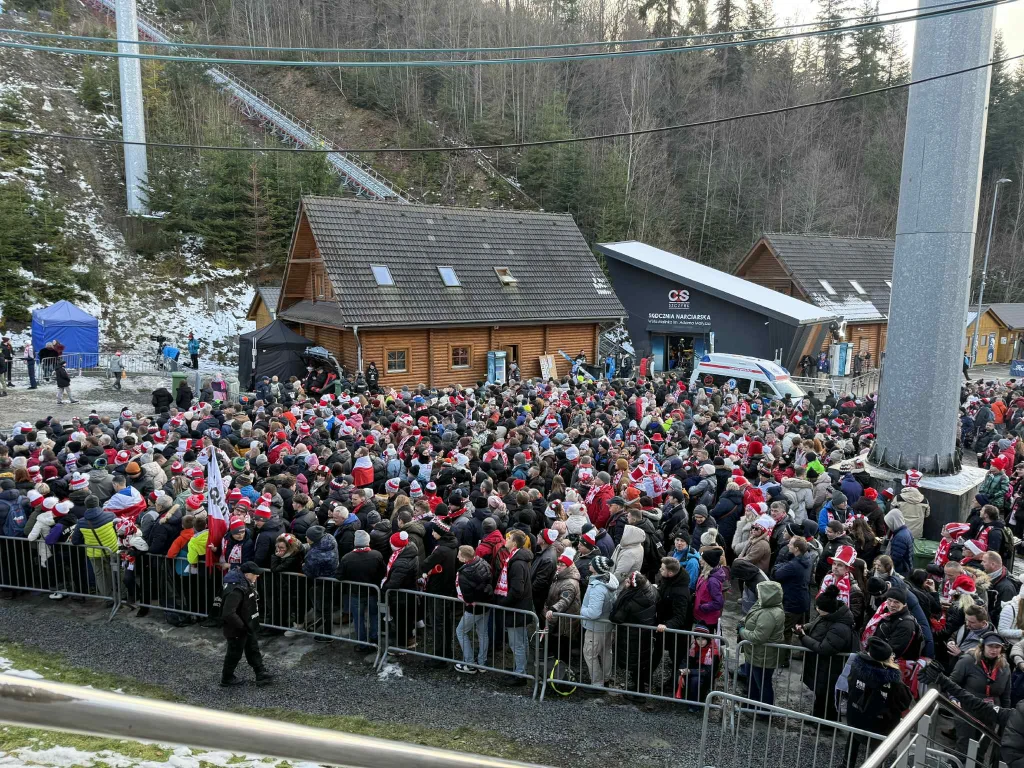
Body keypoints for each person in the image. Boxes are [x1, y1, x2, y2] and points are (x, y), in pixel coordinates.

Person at [845, 636, 912, 766]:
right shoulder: (892, 680)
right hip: (880, 724)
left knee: (853, 738)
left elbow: (850, 684)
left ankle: (846, 764)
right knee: (878, 754)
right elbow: (904, 702)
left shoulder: (857, 667)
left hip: (856, 716)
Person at [796, 583, 857, 721]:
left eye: (820, 609)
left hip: (831, 668)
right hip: (823, 667)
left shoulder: (840, 628)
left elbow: (824, 648)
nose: (817, 610)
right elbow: (817, 623)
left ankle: (825, 723)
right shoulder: (828, 614)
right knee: (821, 695)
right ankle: (817, 717)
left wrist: (803, 637)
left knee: (827, 698)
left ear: (828, 610)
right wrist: (804, 627)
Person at [949, 632, 1010, 757]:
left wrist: (1005, 718)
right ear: (982, 646)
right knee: (964, 749)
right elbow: (951, 682)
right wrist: (953, 698)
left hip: (990, 713)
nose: (994, 650)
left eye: (997, 647)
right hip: (967, 710)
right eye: (990, 646)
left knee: (981, 751)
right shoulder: (968, 660)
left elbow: (1006, 695)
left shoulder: (1005, 667)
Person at [220, 562, 274, 687]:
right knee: (234, 653)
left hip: (246, 625)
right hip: (237, 628)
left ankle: (260, 673)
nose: (257, 576)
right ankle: (227, 678)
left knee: (253, 648)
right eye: (255, 574)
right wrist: (242, 626)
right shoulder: (237, 589)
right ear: (247, 574)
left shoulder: (244, 584)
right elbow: (228, 613)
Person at [610, 570, 659, 699]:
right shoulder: (650, 591)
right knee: (641, 663)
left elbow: (616, 617)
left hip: (633, 637)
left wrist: (621, 595)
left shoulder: (631, 601)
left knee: (636, 665)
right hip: (644, 635)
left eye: (627, 581)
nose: (625, 583)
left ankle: (639, 694)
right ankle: (638, 688)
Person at [738, 580, 785, 708]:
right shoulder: (764, 604)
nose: (758, 594)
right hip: (755, 654)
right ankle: (752, 705)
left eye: (761, 592)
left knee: (763, 684)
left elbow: (758, 637)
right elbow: (752, 615)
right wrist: (744, 622)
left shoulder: (769, 613)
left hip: (763, 656)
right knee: (753, 682)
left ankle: (764, 711)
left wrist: (742, 631)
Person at [454, 544, 492, 674]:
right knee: (483, 633)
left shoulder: (463, 573)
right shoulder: (483, 563)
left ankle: (469, 663)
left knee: (460, 631)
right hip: (486, 605)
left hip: (473, 608)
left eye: (459, 554)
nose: (457, 556)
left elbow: (467, 597)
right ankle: (482, 663)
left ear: (465, 558)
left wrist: (470, 600)